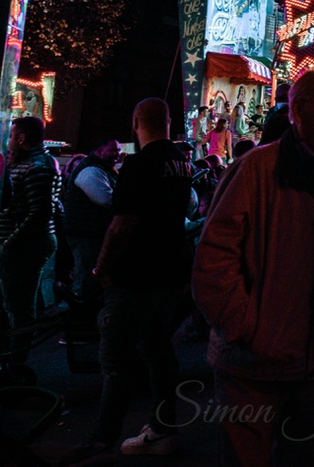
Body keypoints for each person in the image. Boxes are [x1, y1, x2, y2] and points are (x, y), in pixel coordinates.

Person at [192, 69, 314, 466]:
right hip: (251, 364)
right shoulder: (255, 169)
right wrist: (244, 325)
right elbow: (214, 257)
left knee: (305, 455)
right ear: (302, 111)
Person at [62, 97, 197, 462]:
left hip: (137, 272)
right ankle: (163, 425)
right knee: (157, 349)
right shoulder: (181, 162)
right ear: (168, 122)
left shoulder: (140, 164)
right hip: (172, 269)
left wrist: (101, 268)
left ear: (136, 122)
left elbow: (122, 223)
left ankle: (101, 440)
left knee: (116, 359)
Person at [0, 115, 61, 381]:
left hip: (24, 245)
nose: (7, 141)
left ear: (21, 138)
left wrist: (10, 242)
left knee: (19, 309)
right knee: (13, 306)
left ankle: (12, 365)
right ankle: (7, 360)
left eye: (10, 136)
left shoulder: (37, 165)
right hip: (21, 243)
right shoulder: (29, 162)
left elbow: (40, 212)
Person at [59, 138, 121, 302]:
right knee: (86, 276)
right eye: (113, 150)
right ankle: (79, 308)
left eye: (118, 150)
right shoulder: (90, 171)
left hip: (91, 232)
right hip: (86, 233)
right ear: (99, 150)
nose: (117, 154)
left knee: (88, 274)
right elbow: (105, 199)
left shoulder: (103, 169)